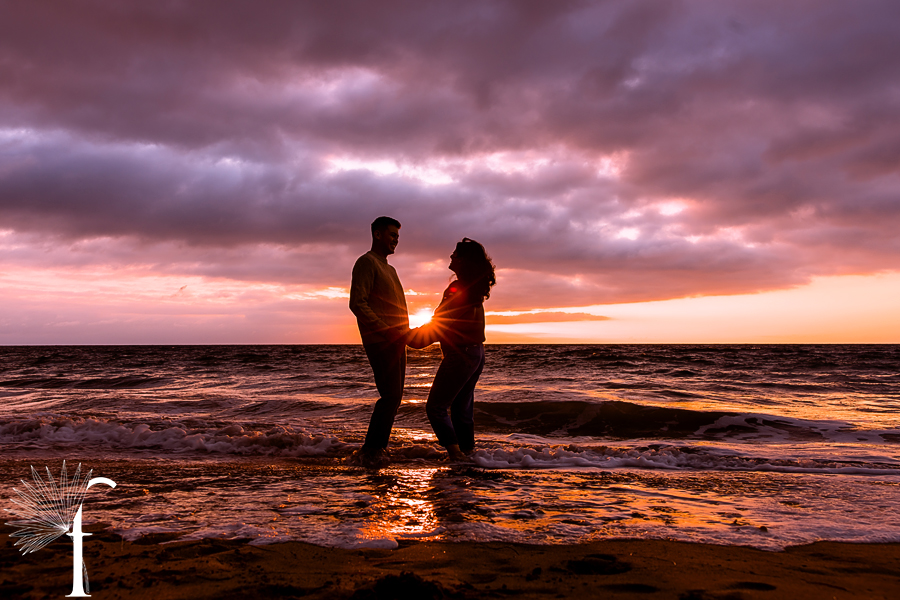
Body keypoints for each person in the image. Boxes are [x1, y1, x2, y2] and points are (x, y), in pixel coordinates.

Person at [409, 238, 496, 462]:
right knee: (461, 408)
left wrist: (409, 338)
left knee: (435, 408)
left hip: (461, 355)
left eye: (455, 254)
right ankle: (469, 454)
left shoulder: (458, 289)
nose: (451, 257)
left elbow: (440, 324)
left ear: (464, 260)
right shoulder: (474, 288)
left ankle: (456, 455)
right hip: (477, 353)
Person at [348, 216, 410, 468]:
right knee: (391, 395)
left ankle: (375, 449)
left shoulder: (390, 269)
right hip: (381, 340)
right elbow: (357, 303)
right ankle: (372, 450)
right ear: (377, 234)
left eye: (397, 236)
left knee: (394, 396)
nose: (396, 240)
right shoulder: (366, 262)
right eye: (392, 235)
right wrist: (385, 331)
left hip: (398, 340)